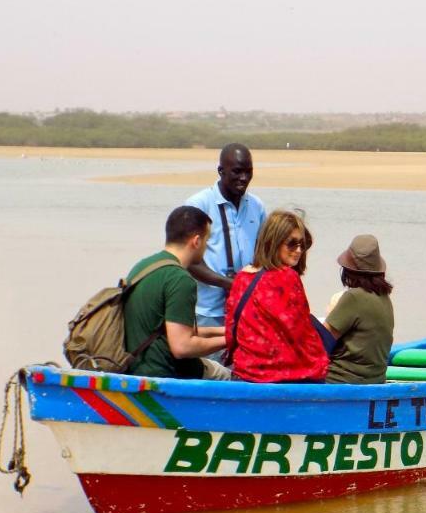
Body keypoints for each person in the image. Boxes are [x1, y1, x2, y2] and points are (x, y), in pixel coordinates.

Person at [124, 206, 230, 380]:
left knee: (215, 365)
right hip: (162, 370)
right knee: (227, 375)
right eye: (206, 240)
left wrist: (224, 332)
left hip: (132, 365)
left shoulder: (143, 266)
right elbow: (182, 347)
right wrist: (232, 341)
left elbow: (172, 329)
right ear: (196, 241)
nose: (206, 247)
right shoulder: (181, 279)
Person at [225, 209, 329, 383]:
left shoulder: (241, 278)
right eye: (292, 244)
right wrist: (323, 363)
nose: (298, 250)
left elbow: (231, 331)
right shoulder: (287, 277)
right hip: (285, 377)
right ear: (274, 243)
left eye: (302, 245)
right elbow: (302, 334)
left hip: (245, 373)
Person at [185, 143, 266, 332]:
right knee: (210, 363)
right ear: (221, 171)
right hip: (209, 313)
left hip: (246, 308)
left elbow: (264, 253)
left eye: (249, 172)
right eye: (237, 172)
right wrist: (228, 283)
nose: (244, 178)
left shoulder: (256, 206)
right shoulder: (199, 205)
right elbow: (188, 260)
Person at [323, 235, 395, 385]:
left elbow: (322, 340)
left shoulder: (354, 297)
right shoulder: (384, 298)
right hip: (375, 380)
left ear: (348, 270)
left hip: (341, 379)